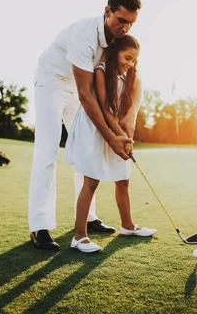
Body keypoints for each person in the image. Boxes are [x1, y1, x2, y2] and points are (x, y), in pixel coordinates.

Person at [29, 0, 142, 250]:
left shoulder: (117, 39)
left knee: (88, 150)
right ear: (107, 12)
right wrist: (112, 137)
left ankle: (89, 218)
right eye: (121, 20)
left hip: (82, 89)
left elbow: (117, 85)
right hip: (52, 83)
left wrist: (122, 128)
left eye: (131, 23)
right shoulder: (84, 36)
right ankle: (39, 226)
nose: (125, 28)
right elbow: (85, 95)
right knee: (47, 150)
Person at [64, 35, 156, 253]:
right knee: (91, 181)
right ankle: (79, 237)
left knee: (123, 179)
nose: (130, 63)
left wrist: (127, 136)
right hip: (95, 128)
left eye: (134, 60)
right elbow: (104, 110)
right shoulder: (101, 71)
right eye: (127, 57)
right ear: (116, 53)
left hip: (117, 128)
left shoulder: (130, 77)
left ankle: (128, 226)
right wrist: (119, 137)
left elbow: (127, 113)